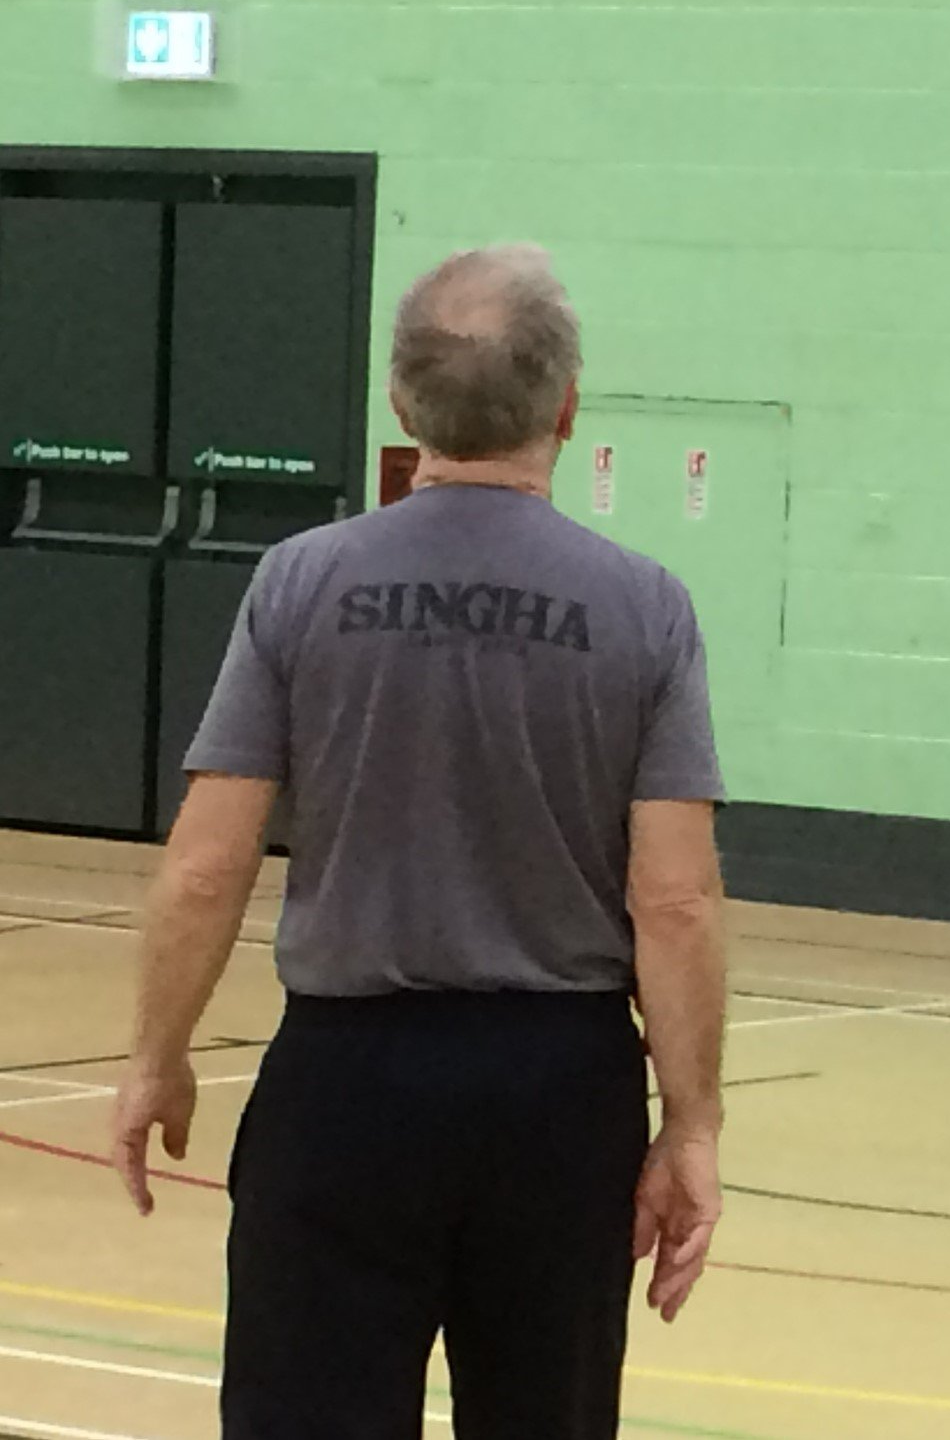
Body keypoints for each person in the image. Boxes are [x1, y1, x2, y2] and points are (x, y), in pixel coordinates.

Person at [109, 244, 730, 1439]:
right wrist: (689, 1123)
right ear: (565, 403)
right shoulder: (646, 607)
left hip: (345, 1084)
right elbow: (677, 900)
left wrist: (157, 1052)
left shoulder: (299, 582)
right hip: (559, 1094)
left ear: (402, 404)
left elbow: (205, 862)